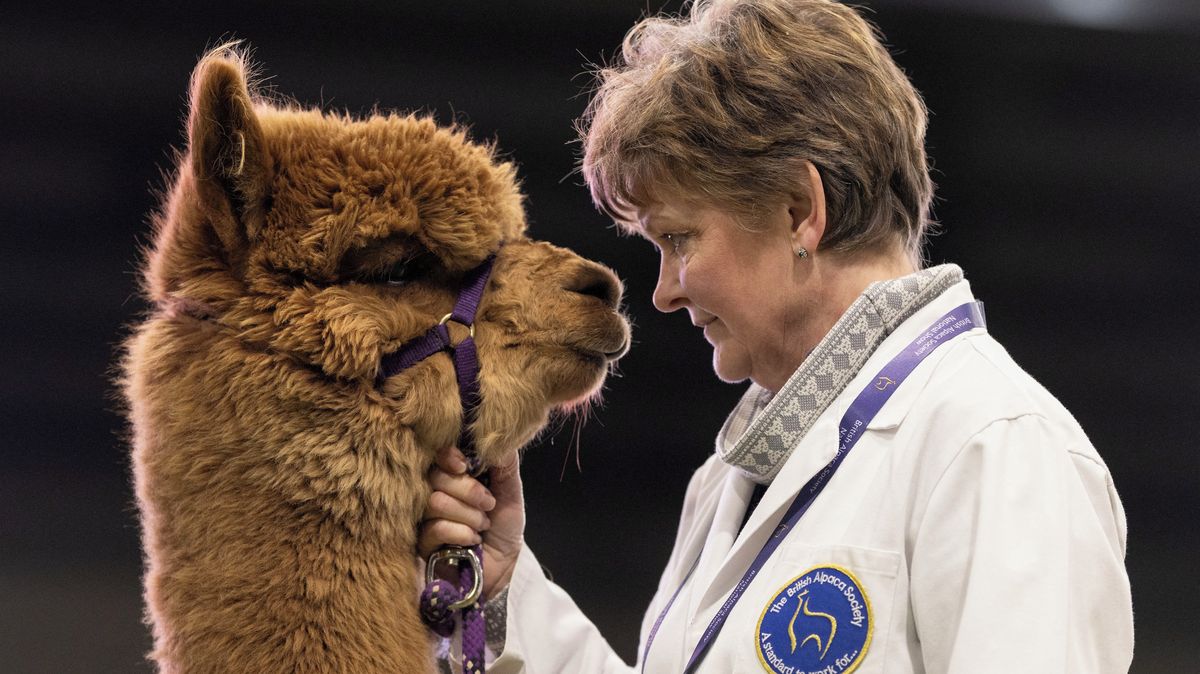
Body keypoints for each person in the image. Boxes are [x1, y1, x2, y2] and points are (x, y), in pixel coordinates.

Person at [418, 0, 1135, 671]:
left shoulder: (995, 443)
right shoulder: (728, 480)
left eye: (677, 237)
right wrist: (501, 587)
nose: (664, 292)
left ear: (799, 209)